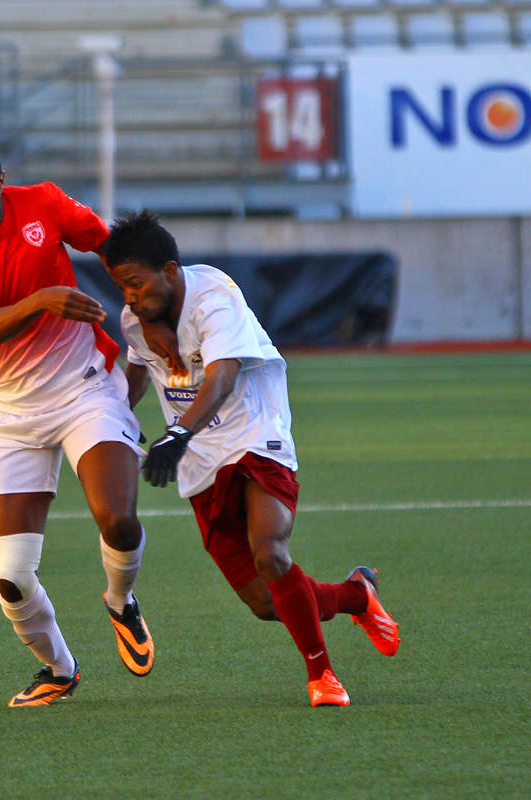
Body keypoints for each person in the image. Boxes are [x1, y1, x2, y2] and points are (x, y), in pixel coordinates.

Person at [104, 210, 401, 708]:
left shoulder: (215, 297)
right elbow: (135, 375)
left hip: (254, 437)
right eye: (122, 288)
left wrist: (176, 432)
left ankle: (322, 677)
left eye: (136, 284)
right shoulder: (135, 320)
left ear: (170, 271)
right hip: (201, 462)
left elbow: (221, 375)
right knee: (266, 602)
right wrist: (105, 423)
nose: (130, 298)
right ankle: (356, 595)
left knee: (270, 552)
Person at [0, 125, 154, 707]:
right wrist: (44, 299)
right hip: (9, 414)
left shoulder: (44, 203)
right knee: (12, 579)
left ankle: (120, 600)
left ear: (0, 180)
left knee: (116, 518)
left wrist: (148, 304)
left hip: (85, 390)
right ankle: (59, 670)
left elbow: (111, 246)